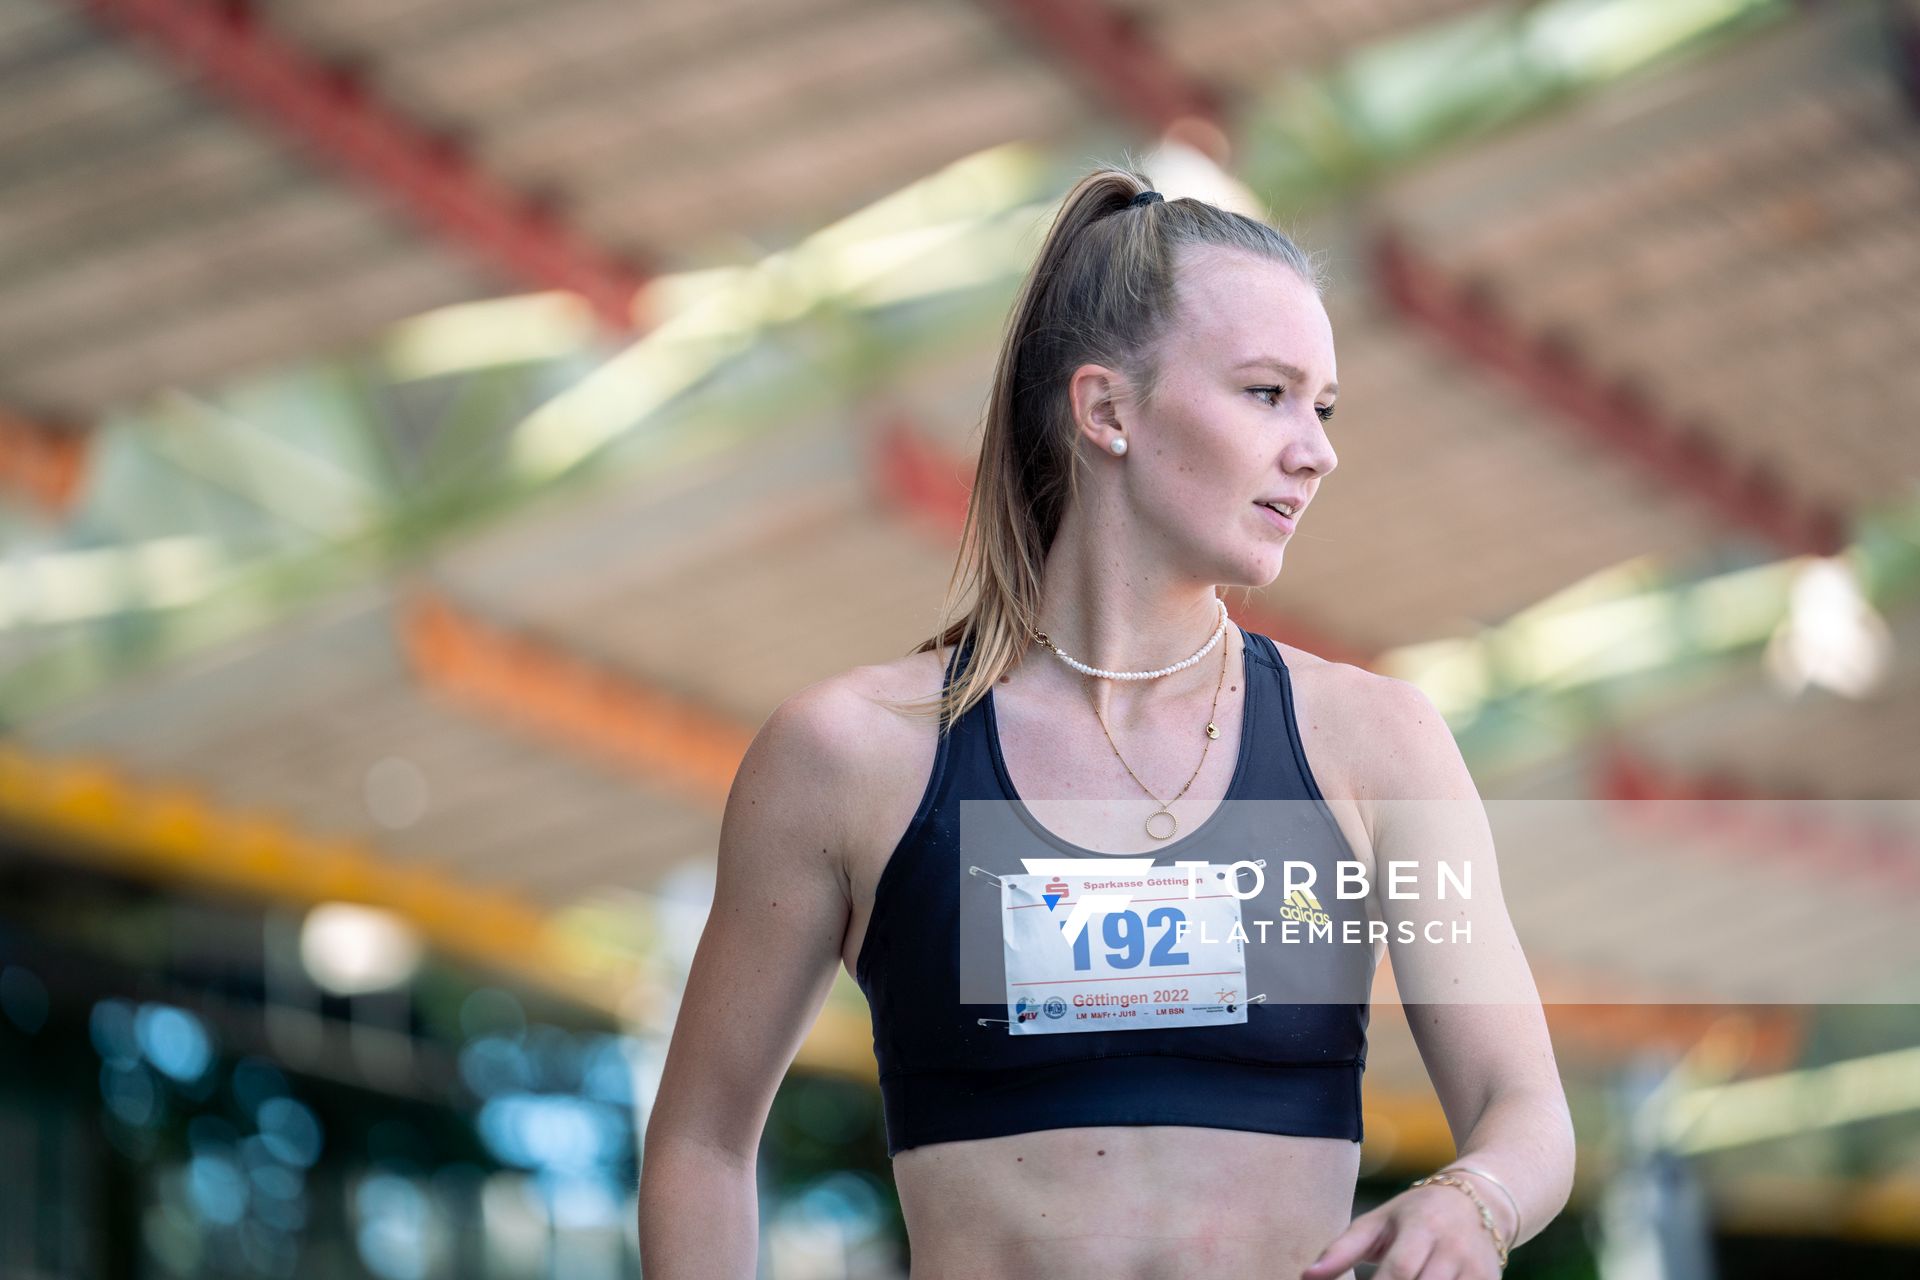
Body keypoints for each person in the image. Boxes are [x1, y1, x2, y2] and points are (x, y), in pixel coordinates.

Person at [639, 167, 1575, 1279]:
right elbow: (701, 1136)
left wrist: (1477, 1197)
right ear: (1106, 409)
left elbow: (1526, 1110)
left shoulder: (1379, 746)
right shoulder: (850, 757)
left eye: (1321, 408)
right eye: (1267, 393)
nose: (1316, 449)